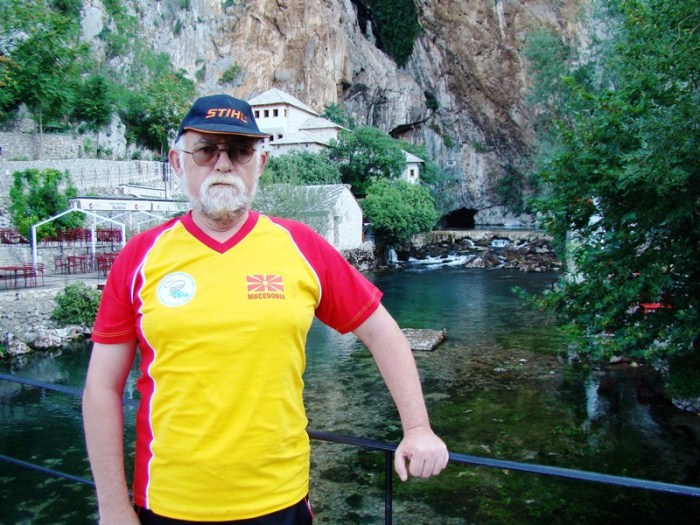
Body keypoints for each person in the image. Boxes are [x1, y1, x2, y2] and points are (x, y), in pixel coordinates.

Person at [82, 94, 449, 525]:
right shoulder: (139, 257)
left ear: (260, 163)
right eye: (206, 150)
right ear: (178, 162)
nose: (222, 164)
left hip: (280, 500)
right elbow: (101, 388)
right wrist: (113, 508)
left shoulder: (300, 245)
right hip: (167, 502)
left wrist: (418, 428)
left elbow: (382, 332)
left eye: (239, 151)